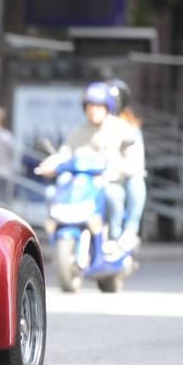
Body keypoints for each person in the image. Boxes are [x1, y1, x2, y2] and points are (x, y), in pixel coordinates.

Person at [35, 81, 137, 243]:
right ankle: (56, 231)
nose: (93, 111)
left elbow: (131, 159)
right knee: (53, 192)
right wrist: (50, 164)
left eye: (98, 106)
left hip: (106, 182)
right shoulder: (78, 131)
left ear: (107, 107)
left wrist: (118, 170)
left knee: (113, 195)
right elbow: (64, 153)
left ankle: (114, 237)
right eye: (90, 106)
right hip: (81, 183)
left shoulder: (120, 129)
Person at [108, 79, 147, 251]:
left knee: (136, 182)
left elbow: (136, 160)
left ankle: (127, 232)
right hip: (94, 177)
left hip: (118, 176)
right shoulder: (90, 125)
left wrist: (120, 168)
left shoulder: (129, 127)